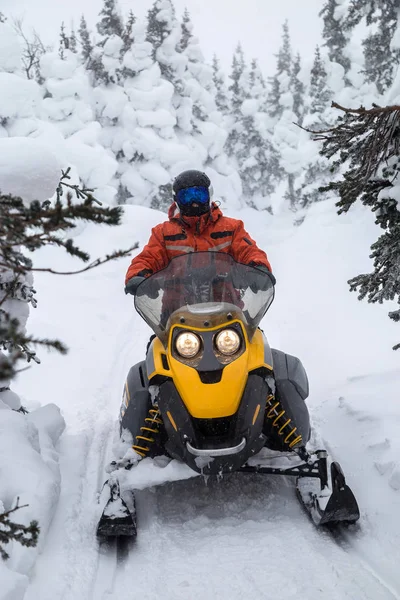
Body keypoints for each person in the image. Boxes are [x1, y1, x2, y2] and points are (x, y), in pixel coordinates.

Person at [125, 170, 272, 295]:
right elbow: (147, 258)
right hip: (176, 310)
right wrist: (139, 276)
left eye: (199, 195)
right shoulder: (164, 233)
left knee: (253, 330)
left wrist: (258, 269)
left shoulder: (231, 228)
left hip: (227, 306)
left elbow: (249, 251)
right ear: (177, 200)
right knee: (158, 331)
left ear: (209, 196)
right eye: (186, 197)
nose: (193, 203)